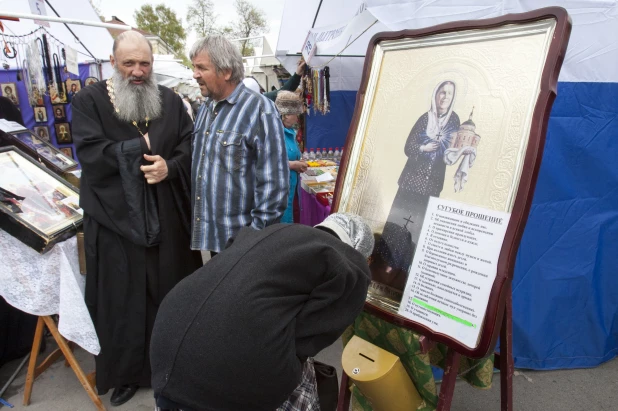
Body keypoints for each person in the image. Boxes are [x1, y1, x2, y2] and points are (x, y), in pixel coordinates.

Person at [72, 30, 203, 406]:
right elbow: (91, 152)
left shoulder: (171, 100)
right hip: (117, 220)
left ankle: (176, 367)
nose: (138, 71)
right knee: (124, 299)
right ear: (113, 62)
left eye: (144, 63)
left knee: (171, 292)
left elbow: (188, 142)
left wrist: (170, 165)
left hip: (166, 215)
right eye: (129, 63)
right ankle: (128, 373)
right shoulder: (89, 101)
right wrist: (137, 151)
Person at [151, 213, 373, 411]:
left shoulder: (274, 233)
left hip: (167, 339)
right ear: (359, 252)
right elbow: (306, 341)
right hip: (230, 367)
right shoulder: (349, 264)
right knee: (300, 377)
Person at [190, 35, 289, 254]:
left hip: (242, 246)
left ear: (226, 71)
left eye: (201, 68)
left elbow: (275, 187)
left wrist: (252, 241)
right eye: (194, 67)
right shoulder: (206, 108)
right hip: (212, 240)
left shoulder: (260, 110)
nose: (195, 74)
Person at [371, 80, 460, 290]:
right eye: (441, 92)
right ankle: (383, 267)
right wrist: (423, 147)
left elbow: (452, 150)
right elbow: (408, 146)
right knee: (396, 224)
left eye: (449, 93)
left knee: (417, 229)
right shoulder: (424, 118)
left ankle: (404, 274)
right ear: (435, 95)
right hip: (410, 183)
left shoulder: (454, 121)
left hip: (430, 186)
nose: (444, 97)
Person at [275, 91, 307, 223]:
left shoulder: (289, 132)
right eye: (295, 114)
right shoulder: (275, 133)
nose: (297, 118)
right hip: (279, 192)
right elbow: (269, 163)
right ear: (286, 115)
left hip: (291, 189)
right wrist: (294, 165)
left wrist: (298, 162)